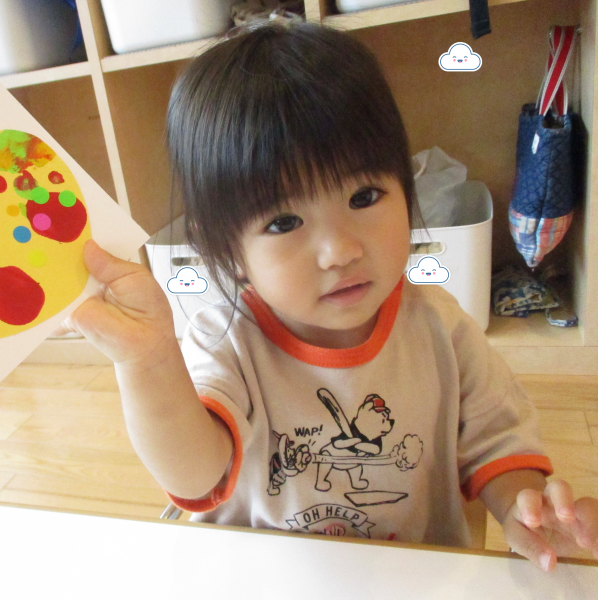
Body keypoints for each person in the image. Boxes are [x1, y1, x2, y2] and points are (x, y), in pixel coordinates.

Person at [59, 21, 598, 571]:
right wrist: (148, 361)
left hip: (411, 577)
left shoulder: (441, 326)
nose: (340, 250)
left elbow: (500, 445)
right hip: (266, 579)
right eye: (284, 221)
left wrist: (525, 508)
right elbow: (194, 475)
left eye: (364, 196)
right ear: (227, 249)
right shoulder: (224, 340)